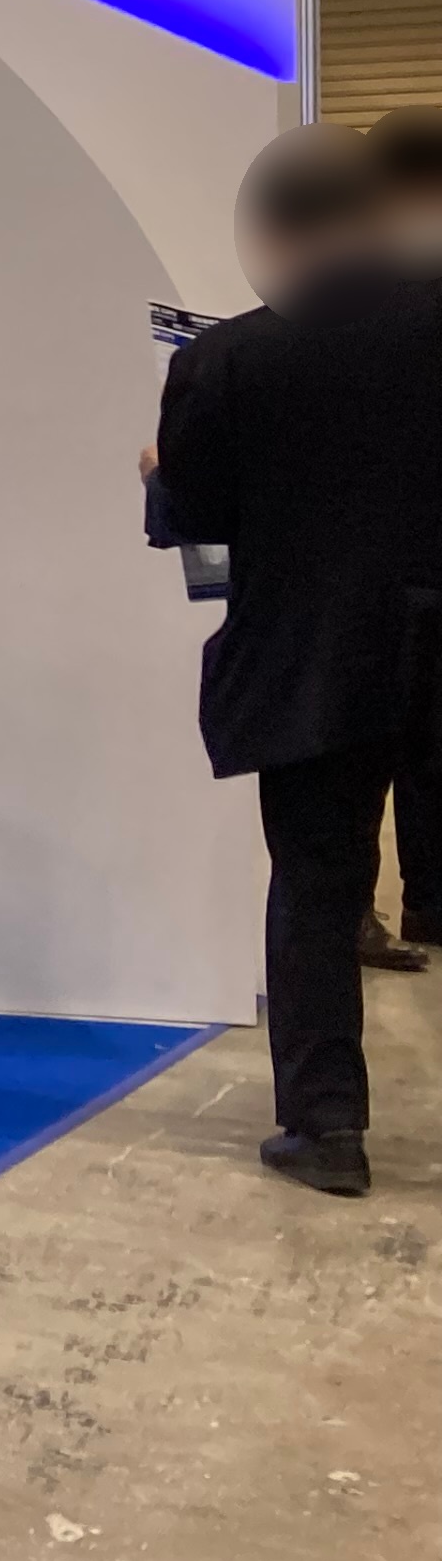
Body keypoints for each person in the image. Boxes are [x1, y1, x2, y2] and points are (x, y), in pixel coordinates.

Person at [151, 124, 442, 1200]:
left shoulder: (228, 358)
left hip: (314, 658)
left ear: (277, 230)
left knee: (316, 887)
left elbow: (196, 515)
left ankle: (329, 1131)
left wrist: (162, 471)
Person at [353, 102, 442, 974]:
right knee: (393, 748)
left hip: (364, 569)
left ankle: (408, 903)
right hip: (383, 566)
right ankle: (410, 903)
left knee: (383, 748)